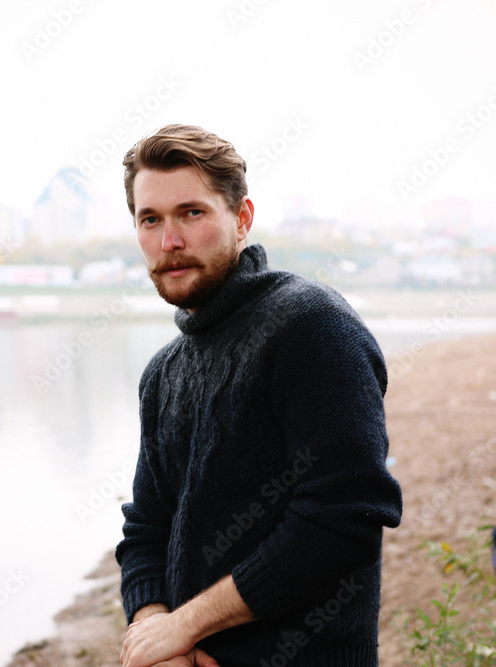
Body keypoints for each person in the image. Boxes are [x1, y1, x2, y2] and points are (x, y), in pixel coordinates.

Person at [115, 124, 402, 667]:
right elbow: (146, 527)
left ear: (242, 219)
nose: (169, 241)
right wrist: (156, 630)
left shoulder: (311, 326)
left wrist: (187, 624)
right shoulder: (162, 374)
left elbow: (344, 519)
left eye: (191, 213)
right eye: (150, 219)